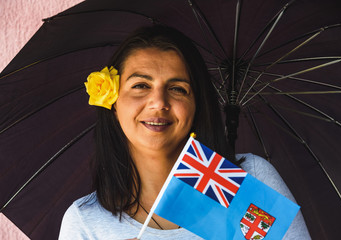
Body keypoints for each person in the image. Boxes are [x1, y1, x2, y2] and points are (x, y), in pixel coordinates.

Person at [58, 25, 311, 240]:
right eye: (141, 85)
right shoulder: (84, 222)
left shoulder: (250, 181)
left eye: (177, 88)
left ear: (196, 104)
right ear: (113, 103)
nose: (158, 102)